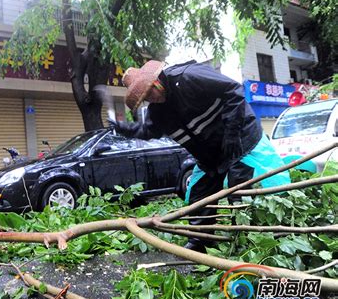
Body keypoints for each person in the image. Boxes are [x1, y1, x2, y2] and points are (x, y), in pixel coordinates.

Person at [110, 60, 291, 253]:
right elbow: (150, 131)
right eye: (145, 99)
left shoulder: (189, 77)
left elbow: (234, 92)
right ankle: (200, 240)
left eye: (149, 94)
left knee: (240, 190)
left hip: (238, 141)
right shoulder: (159, 110)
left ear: (155, 83)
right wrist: (127, 130)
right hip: (209, 156)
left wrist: (231, 135)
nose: (150, 100)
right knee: (199, 195)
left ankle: (249, 240)